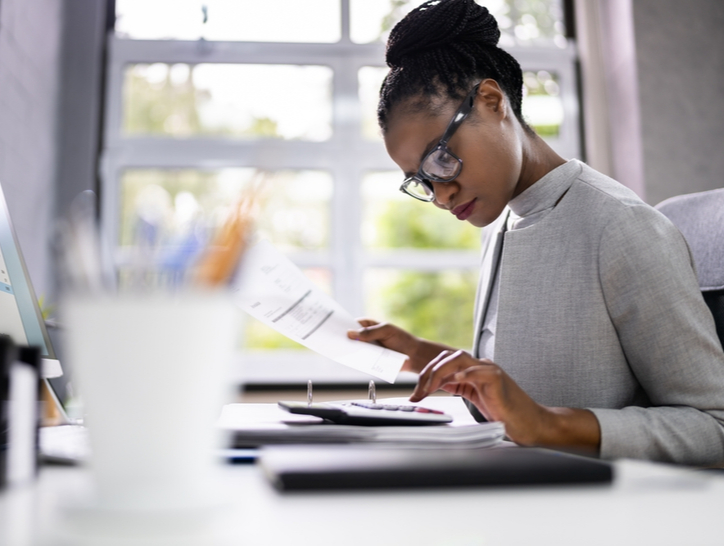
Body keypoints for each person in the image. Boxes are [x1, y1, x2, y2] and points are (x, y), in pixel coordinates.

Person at [347, 0, 724, 465]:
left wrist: (550, 424)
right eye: (422, 181)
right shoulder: (501, 222)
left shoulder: (621, 227)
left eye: (441, 160)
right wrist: (421, 353)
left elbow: (715, 426)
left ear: (492, 101)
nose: (441, 196)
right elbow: (524, 382)